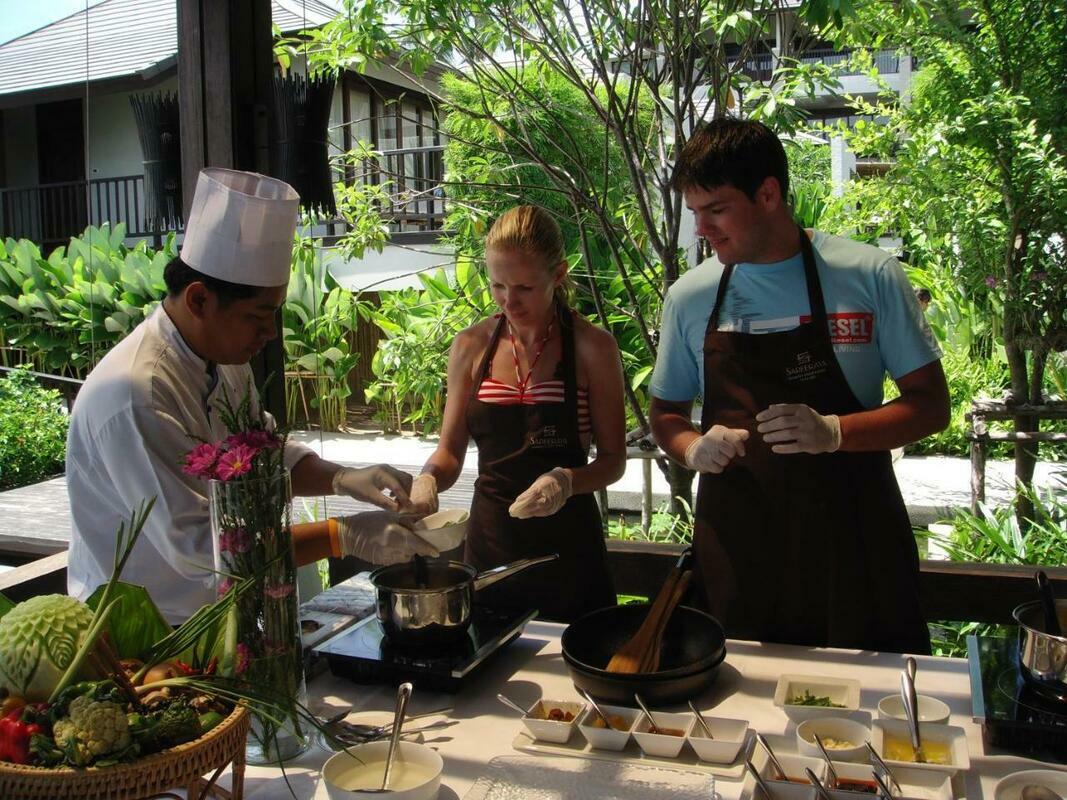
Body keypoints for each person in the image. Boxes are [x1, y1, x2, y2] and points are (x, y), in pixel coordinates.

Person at [67, 168, 436, 624]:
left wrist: (344, 478)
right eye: (258, 317)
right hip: (148, 629)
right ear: (199, 300)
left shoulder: (223, 359)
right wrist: (339, 536)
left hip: (223, 613)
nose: (270, 333)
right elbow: (201, 551)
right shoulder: (136, 394)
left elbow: (263, 455)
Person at [649, 120, 949, 653]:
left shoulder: (870, 275)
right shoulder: (691, 296)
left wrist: (835, 432)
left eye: (715, 210)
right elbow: (666, 414)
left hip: (854, 546)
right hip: (738, 553)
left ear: (768, 194)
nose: (701, 229)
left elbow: (931, 407)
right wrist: (692, 448)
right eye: (695, 212)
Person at [407, 206, 626, 622]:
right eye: (498, 285)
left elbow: (614, 461)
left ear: (558, 274)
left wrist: (565, 481)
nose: (509, 300)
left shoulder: (592, 347)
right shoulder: (471, 346)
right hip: (491, 545)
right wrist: (427, 479)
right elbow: (449, 452)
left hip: (569, 552)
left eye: (524, 287)